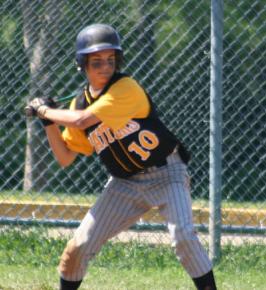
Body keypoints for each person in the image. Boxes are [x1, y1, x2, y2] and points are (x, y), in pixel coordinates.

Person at [27, 23, 217, 290]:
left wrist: (44, 112)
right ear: (82, 65)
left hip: (166, 174)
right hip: (124, 184)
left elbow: (81, 121)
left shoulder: (125, 87)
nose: (105, 66)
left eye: (110, 59)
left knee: (183, 237)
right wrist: (48, 124)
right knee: (78, 247)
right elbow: (65, 157)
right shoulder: (77, 103)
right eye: (96, 61)